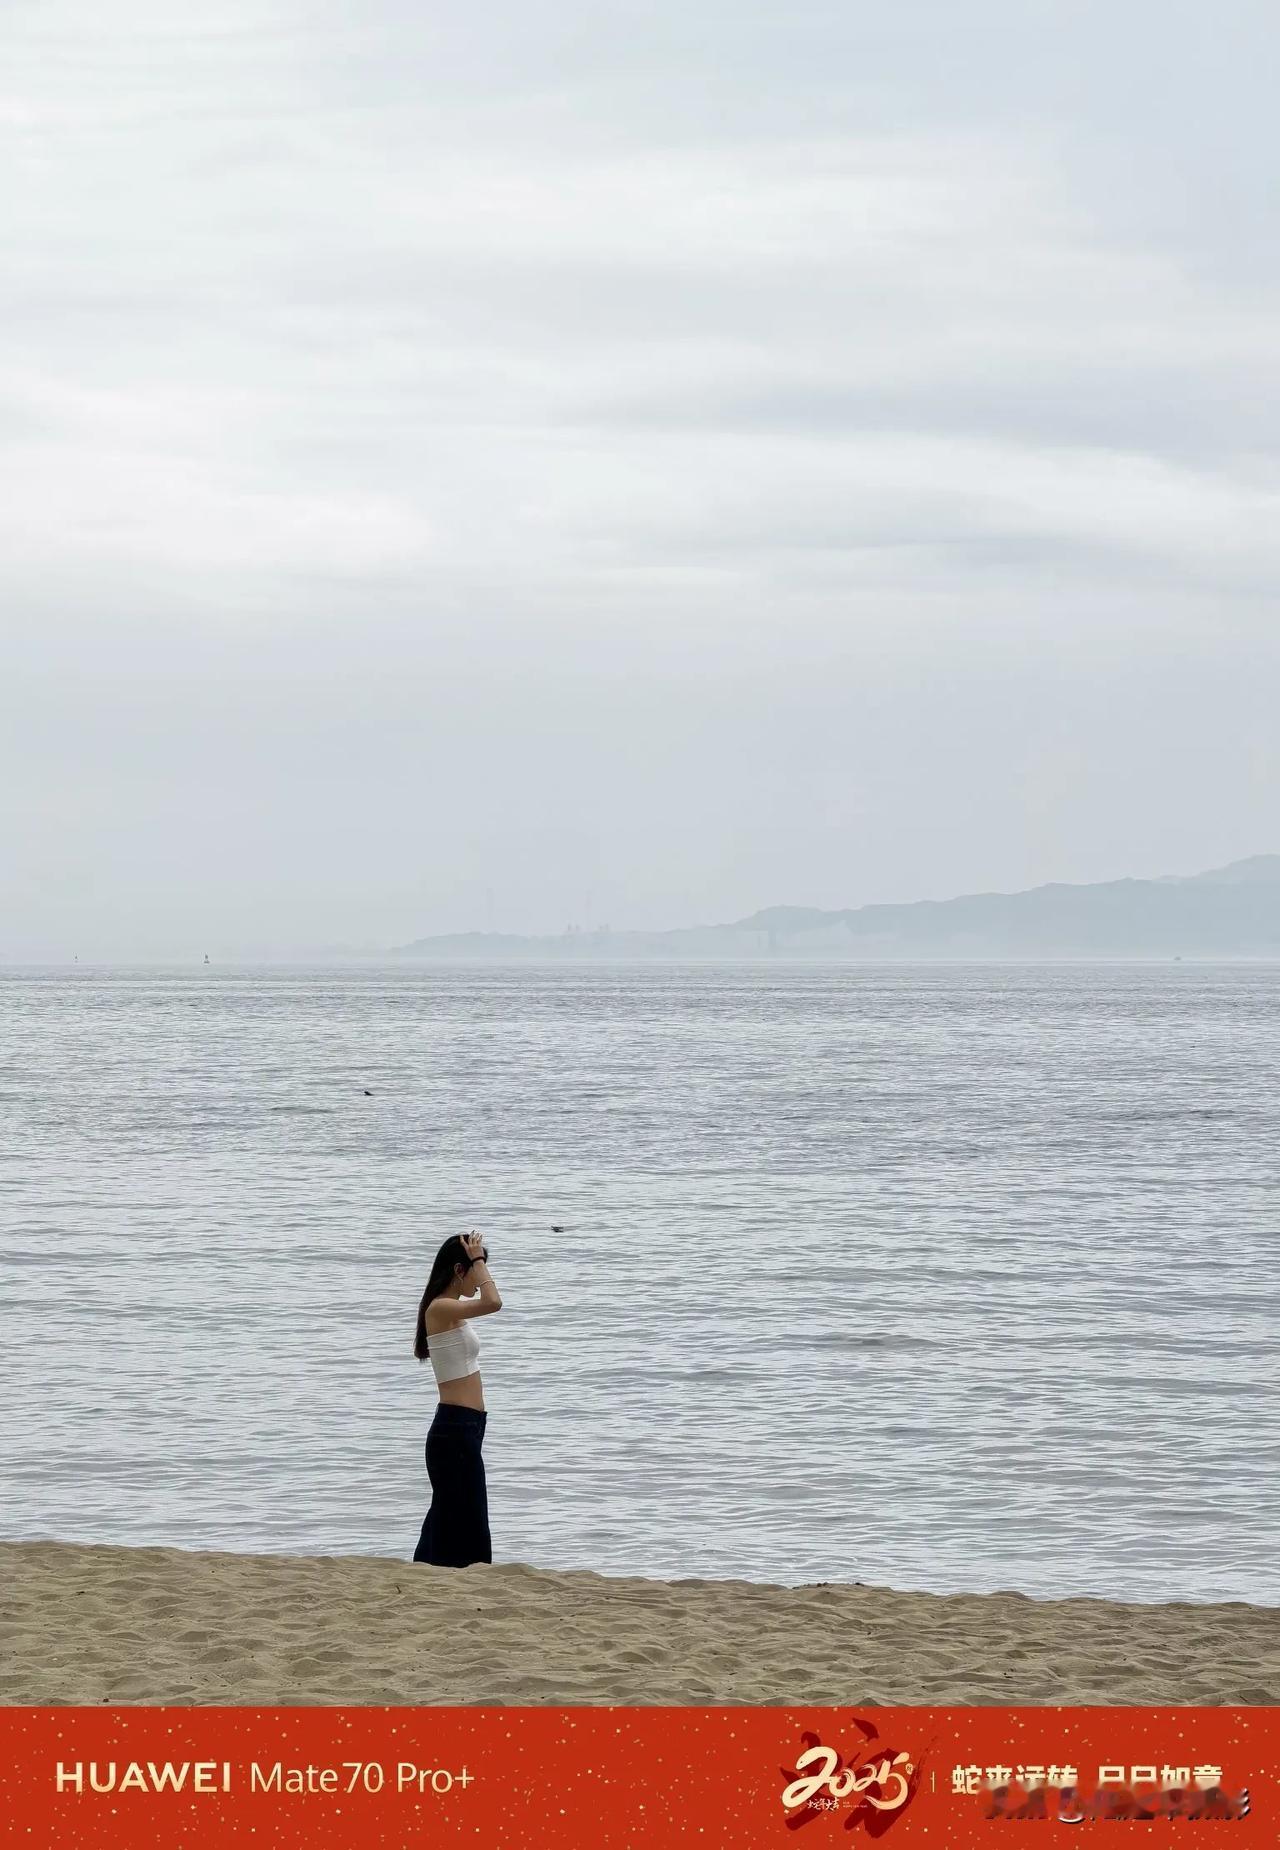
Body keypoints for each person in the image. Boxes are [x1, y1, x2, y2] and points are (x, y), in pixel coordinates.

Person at [411, 1230, 502, 1567]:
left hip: (467, 1429)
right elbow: (494, 1302)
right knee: (462, 1517)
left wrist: (475, 1260)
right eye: (475, 1273)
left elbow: (486, 1298)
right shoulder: (440, 1308)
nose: (479, 1282)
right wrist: (477, 1258)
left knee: (454, 1515)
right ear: (459, 1270)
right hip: (454, 1429)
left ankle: (427, 1575)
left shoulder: (452, 1311)